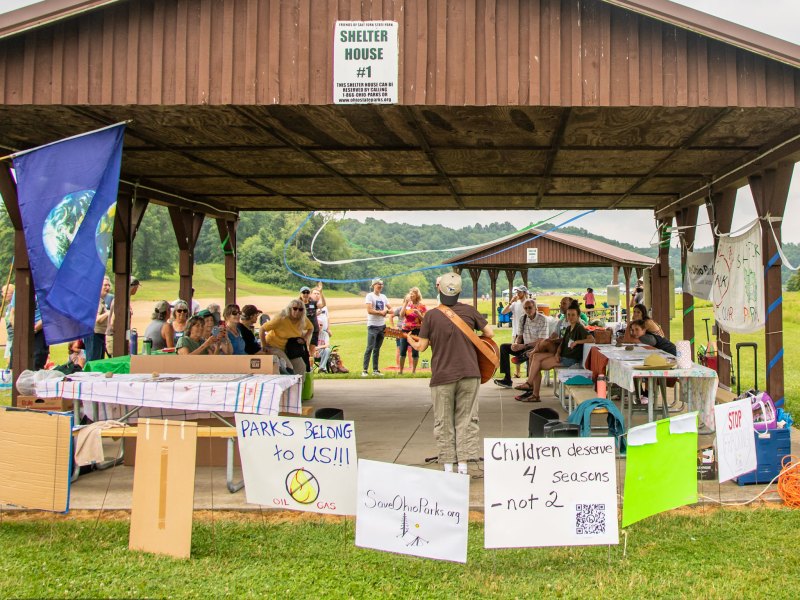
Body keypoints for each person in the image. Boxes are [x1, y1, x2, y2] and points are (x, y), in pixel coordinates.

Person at [407, 272, 493, 475]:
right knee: (467, 419)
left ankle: (448, 468)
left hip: (442, 375)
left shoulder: (431, 315)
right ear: (460, 291)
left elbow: (421, 347)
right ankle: (463, 466)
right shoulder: (470, 311)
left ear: (439, 289)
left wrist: (412, 341)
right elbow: (490, 333)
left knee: (444, 421)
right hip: (470, 372)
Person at [516, 301, 594, 402]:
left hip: (569, 359)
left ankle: (531, 387)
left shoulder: (579, 327)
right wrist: (557, 353)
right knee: (535, 357)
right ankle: (533, 391)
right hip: (562, 355)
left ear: (578, 315)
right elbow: (562, 342)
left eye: (573, 315)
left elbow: (592, 339)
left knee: (536, 365)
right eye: (568, 315)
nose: (570, 317)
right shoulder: (569, 327)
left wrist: (578, 342)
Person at [493, 299, 548, 388]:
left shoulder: (542, 319)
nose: (528, 310)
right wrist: (516, 344)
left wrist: (523, 346)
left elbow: (542, 341)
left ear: (535, 308)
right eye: (525, 308)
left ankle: (523, 359)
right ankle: (507, 379)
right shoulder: (523, 318)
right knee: (504, 347)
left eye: (530, 308)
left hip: (538, 347)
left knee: (530, 352)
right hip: (524, 346)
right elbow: (519, 336)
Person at [260, 299, 314, 375]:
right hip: (273, 346)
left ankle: (299, 386)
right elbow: (262, 329)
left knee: (301, 367)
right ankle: (286, 385)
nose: (297, 311)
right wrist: (264, 345)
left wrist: (305, 338)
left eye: (300, 309)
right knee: (289, 367)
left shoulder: (303, 319)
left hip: (290, 348)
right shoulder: (281, 318)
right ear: (290, 309)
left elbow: (311, 328)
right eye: (295, 308)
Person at [362, 278, 390, 377]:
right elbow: (369, 310)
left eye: (382, 284)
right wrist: (380, 312)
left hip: (382, 326)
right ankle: (364, 370)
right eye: (378, 284)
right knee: (369, 347)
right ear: (373, 285)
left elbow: (390, 309)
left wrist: (387, 311)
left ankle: (375, 370)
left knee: (377, 349)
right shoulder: (370, 296)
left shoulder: (384, 297)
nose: (380, 286)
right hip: (372, 325)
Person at [106, 277, 140, 357]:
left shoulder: (124, 298)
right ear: (133, 287)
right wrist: (122, 339)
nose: (137, 289)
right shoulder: (120, 300)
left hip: (120, 338)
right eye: (137, 287)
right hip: (116, 338)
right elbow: (114, 321)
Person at [399, 287, 426, 374]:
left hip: (416, 331)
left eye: (413, 293)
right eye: (410, 293)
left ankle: (413, 371)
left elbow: (425, 320)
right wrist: (405, 303)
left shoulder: (422, 306)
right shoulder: (407, 304)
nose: (411, 295)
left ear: (417, 295)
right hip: (405, 330)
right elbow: (401, 315)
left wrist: (418, 314)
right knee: (402, 351)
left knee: (415, 352)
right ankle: (401, 371)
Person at [84, 276, 112, 361]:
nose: (107, 288)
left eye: (108, 285)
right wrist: (108, 313)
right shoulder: (96, 301)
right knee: (94, 362)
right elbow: (97, 319)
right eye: (105, 285)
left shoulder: (101, 300)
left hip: (99, 335)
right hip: (94, 335)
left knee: (99, 361)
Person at [301, 284, 326, 359]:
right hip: (304, 330)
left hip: (314, 329)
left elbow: (323, 304)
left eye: (307, 292)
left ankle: (310, 368)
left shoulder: (313, 303)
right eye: (304, 293)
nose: (305, 294)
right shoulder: (299, 303)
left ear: (309, 294)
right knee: (305, 349)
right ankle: (305, 366)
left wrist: (321, 293)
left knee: (312, 350)